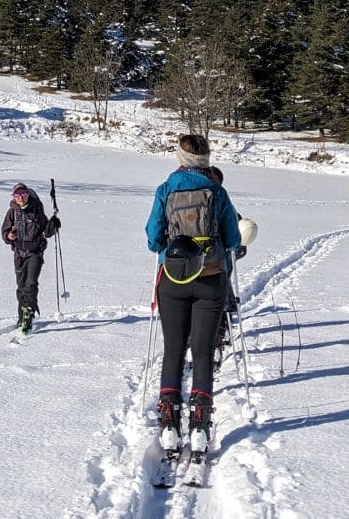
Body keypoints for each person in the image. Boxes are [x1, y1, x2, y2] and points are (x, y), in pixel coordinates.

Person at [145, 134, 241, 456]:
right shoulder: (217, 190)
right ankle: (200, 423)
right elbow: (232, 237)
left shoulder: (165, 189)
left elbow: (152, 238)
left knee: (173, 348)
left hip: (172, 278)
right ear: (207, 160)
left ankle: (169, 420)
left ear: (180, 158)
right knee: (201, 350)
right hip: (211, 278)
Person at [1, 182, 61, 334]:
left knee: (31, 284)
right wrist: (9, 236)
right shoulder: (12, 212)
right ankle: (22, 316)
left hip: (35, 253)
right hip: (19, 254)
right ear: (14, 197)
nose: (21, 197)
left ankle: (29, 315)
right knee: (21, 287)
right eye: (17, 195)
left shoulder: (36, 210)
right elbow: (5, 233)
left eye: (23, 194)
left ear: (28, 194)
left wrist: (53, 225)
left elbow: (46, 232)